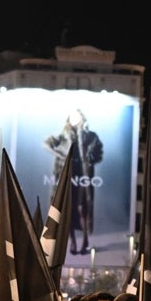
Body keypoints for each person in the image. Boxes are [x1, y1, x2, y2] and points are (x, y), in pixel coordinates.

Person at [44, 109, 103, 256]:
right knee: (68, 209)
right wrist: (60, 155)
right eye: (72, 116)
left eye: (78, 116)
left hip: (83, 175)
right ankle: (73, 242)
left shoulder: (90, 136)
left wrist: (89, 158)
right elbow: (46, 144)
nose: (75, 119)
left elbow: (98, 153)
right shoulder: (64, 135)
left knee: (82, 207)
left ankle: (85, 240)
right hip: (67, 174)